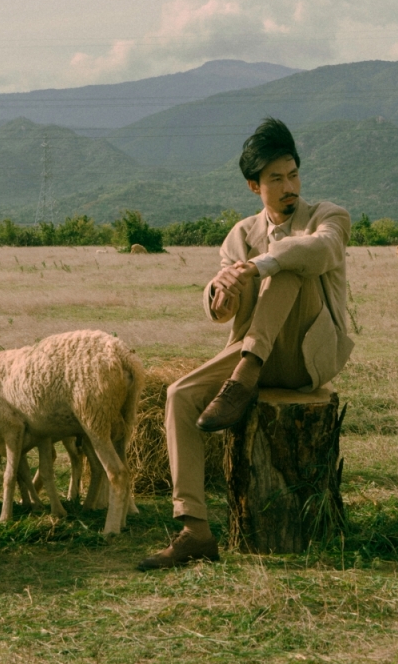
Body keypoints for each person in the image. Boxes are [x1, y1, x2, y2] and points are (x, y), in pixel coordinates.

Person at [137, 117, 353, 570]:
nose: (289, 185)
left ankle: (248, 370)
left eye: (293, 174)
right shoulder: (239, 235)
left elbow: (319, 251)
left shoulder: (329, 216)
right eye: (276, 178)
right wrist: (223, 291)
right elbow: (219, 311)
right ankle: (194, 528)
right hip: (249, 353)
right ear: (255, 186)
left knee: (294, 260)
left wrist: (260, 266)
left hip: (306, 355)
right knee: (178, 395)